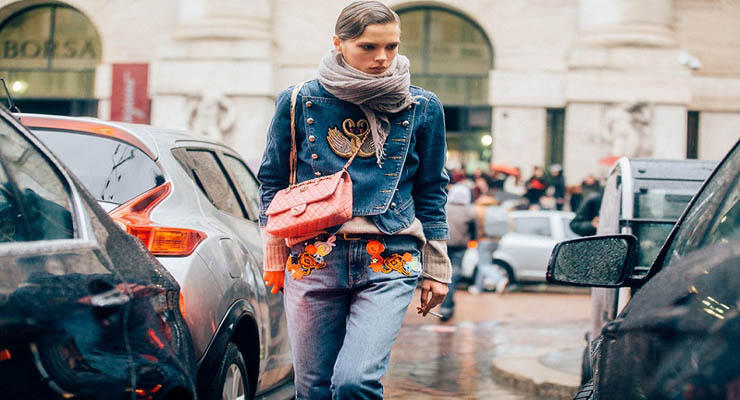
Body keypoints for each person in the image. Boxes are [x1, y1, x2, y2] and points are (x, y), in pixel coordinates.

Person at [257, 2, 451, 398]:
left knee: (355, 381)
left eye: (391, 47)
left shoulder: (422, 106)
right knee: (312, 387)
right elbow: (272, 180)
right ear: (338, 44)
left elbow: (432, 189)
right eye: (368, 47)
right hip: (314, 256)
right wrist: (274, 255)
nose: (382, 58)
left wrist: (437, 267)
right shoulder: (297, 101)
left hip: (391, 255)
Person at [439, 183, 477, 320]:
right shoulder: (469, 211)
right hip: (460, 247)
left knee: (442, 274)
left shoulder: (445, 207)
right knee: (453, 276)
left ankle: (444, 303)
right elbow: (474, 231)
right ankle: (447, 306)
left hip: (443, 244)